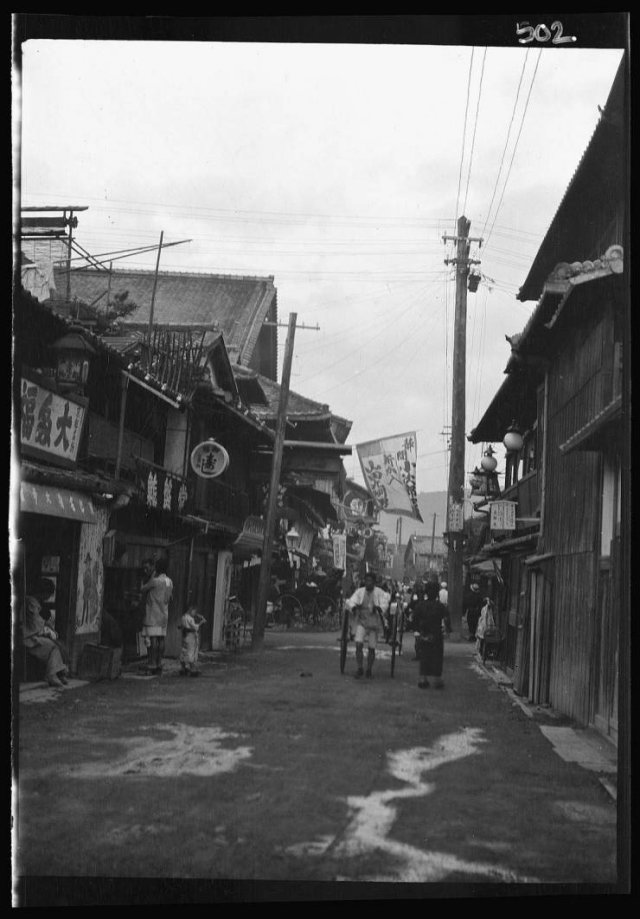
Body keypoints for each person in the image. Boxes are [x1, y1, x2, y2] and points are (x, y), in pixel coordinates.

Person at [23, 578, 70, 687]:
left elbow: (40, 622)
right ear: (43, 592)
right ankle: (53, 674)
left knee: (59, 645)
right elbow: (35, 625)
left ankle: (59, 673)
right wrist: (47, 631)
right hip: (29, 637)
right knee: (54, 647)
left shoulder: (35, 602)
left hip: (33, 635)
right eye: (48, 594)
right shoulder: (30, 602)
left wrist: (48, 629)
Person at [345, 571, 390, 679]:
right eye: (366, 581)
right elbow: (350, 601)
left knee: (371, 648)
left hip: (374, 624)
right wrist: (354, 607)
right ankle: (360, 668)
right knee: (358, 644)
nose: (368, 583)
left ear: (374, 582)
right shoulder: (360, 592)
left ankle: (369, 669)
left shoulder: (379, 592)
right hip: (362, 623)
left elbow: (385, 602)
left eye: (370, 581)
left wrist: (379, 608)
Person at [411, 580, 451, 689]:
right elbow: (447, 619)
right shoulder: (440, 607)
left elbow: (414, 620)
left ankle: (423, 679)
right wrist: (448, 630)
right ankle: (437, 680)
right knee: (437, 657)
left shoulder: (420, 606)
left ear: (426, 592)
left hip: (424, 633)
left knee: (424, 656)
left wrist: (416, 632)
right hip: (436, 634)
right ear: (437, 592)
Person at [140, 557, 173, 675]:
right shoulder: (169, 581)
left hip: (153, 613)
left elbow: (143, 589)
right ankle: (159, 663)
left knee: (152, 639)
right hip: (164, 614)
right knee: (161, 639)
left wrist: (147, 577)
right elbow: (169, 597)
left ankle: (152, 663)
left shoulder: (155, 581)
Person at [178, 600, 206, 676]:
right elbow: (195, 627)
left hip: (185, 636)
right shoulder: (190, 619)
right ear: (191, 609)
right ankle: (192, 669)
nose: (195, 613)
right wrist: (201, 622)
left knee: (184, 651)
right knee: (191, 652)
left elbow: (181, 626)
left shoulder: (183, 617)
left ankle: (183, 668)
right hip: (191, 636)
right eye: (194, 611)